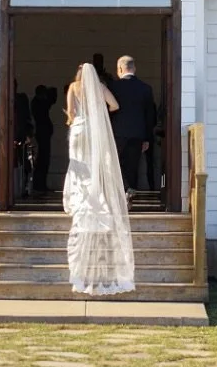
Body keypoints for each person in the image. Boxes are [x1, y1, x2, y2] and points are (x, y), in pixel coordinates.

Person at [62, 62, 135, 295]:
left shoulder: (73, 86)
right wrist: (100, 112)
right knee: (93, 168)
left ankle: (77, 199)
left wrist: (73, 117)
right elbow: (115, 105)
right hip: (94, 130)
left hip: (78, 129)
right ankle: (96, 199)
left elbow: (71, 113)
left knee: (77, 166)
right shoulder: (101, 87)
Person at [109, 55, 155, 201]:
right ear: (134, 68)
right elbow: (150, 116)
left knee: (115, 164)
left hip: (117, 133)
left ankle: (120, 195)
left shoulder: (113, 87)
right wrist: (147, 138)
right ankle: (131, 197)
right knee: (133, 165)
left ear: (120, 69)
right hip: (138, 134)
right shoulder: (145, 88)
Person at [31, 84, 55, 193]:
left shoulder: (38, 103)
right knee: (42, 160)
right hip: (42, 133)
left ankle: (41, 184)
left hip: (43, 133)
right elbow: (50, 100)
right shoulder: (38, 103)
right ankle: (39, 185)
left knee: (44, 159)